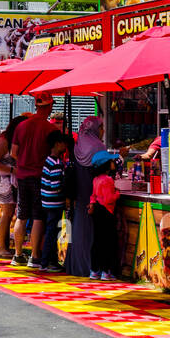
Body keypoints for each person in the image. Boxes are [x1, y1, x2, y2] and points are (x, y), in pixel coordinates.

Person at [10, 93, 59, 269]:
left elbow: (13, 153)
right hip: (40, 176)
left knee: (21, 215)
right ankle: (35, 256)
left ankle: (17, 254)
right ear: (48, 107)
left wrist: (24, 162)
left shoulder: (21, 126)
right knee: (38, 216)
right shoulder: (51, 129)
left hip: (22, 175)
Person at [66, 115, 106, 278]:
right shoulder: (98, 148)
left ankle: (76, 265)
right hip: (93, 195)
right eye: (101, 128)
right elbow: (104, 172)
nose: (103, 131)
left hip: (79, 194)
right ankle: (90, 266)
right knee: (91, 231)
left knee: (78, 229)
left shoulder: (78, 145)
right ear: (95, 129)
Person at [0, 114, 27, 258]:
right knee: (6, 213)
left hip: (10, 179)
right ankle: (1, 247)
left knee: (9, 213)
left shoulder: (11, 140)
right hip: (2, 180)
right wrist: (12, 170)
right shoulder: (3, 141)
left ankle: (4, 245)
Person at [39, 131, 73, 273]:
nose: (65, 145)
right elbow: (55, 185)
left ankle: (49, 261)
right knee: (52, 233)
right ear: (57, 144)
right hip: (54, 203)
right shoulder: (57, 163)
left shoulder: (48, 160)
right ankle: (46, 262)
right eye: (63, 143)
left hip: (47, 202)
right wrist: (66, 193)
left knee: (51, 231)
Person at [88, 151, 122, 281]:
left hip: (97, 211)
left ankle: (94, 270)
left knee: (97, 241)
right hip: (106, 213)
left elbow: (93, 196)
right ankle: (106, 271)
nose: (114, 163)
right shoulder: (108, 180)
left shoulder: (96, 179)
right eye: (112, 161)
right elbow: (109, 199)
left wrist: (91, 204)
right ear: (106, 165)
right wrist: (117, 193)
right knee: (108, 242)